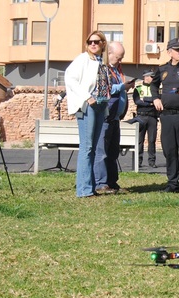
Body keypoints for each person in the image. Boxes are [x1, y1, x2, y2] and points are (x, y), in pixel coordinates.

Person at [64, 31, 110, 198]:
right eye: (90, 42)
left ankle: (89, 187)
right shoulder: (83, 59)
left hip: (100, 105)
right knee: (87, 147)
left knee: (93, 147)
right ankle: (83, 190)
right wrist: (87, 97)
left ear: (103, 44)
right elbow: (70, 78)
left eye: (96, 42)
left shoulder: (102, 62)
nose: (93, 44)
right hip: (87, 106)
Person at [151, 38, 179, 194]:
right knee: (170, 151)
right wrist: (155, 98)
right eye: (178, 50)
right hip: (167, 116)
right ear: (169, 52)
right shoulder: (162, 69)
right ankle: (172, 183)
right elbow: (153, 85)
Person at [94, 41, 135, 194]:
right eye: (118, 57)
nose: (120, 61)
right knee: (102, 152)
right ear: (109, 54)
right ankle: (101, 183)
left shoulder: (116, 70)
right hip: (105, 117)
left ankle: (112, 182)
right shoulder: (103, 69)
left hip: (114, 118)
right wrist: (123, 87)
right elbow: (106, 88)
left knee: (112, 152)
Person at [132, 70, 159, 168]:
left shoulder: (155, 89)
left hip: (152, 116)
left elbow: (159, 99)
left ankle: (152, 161)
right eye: (151, 77)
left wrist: (146, 100)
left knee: (152, 140)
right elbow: (137, 101)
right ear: (146, 77)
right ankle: (138, 161)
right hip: (141, 116)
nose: (153, 79)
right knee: (140, 140)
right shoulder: (138, 88)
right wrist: (151, 102)